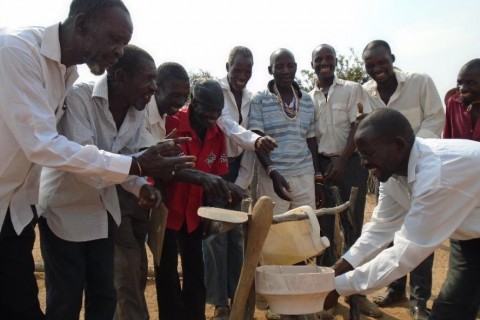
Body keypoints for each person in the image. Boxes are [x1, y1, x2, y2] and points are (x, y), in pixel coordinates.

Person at [0, 1, 193, 318]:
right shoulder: (17, 50)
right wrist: (137, 165)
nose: (119, 50)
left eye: (124, 44)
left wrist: (140, 180)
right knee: (63, 299)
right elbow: (43, 145)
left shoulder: (67, 71)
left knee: (91, 298)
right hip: (51, 210)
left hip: (18, 209)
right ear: (82, 25)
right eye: (114, 39)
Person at [37, 44, 163, 320]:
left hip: (103, 211)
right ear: (120, 78)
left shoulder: (137, 109)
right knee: (66, 298)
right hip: (64, 209)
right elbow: (87, 165)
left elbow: (126, 160)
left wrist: (142, 187)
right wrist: (139, 167)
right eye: (148, 78)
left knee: (104, 296)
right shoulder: (80, 98)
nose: (154, 87)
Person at [324, 108, 480, 320]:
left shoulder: (435, 177)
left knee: (450, 310)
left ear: (398, 145)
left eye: (368, 154)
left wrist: (337, 287)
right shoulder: (392, 173)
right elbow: (380, 228)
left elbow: (404, 255)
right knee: (454, 307)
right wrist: (339, 268)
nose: (364, 163)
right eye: (360, 156)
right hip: (470, 236)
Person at [362, 40, 445, 319]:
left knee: (420, 232)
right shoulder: (366, 92)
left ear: (392, 59)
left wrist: (411, 153)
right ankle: (396, 288)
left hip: (423, 171)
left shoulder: (419, 82)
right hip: (390, 175)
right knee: (390, 232)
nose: (377, 69)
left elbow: (436, 118)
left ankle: (420, 299)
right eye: (370, 65)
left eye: (381, 62)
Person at [155, 79, 245, 320]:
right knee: (167, 275)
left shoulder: (217, 134)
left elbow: (218, 175)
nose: (213, 115)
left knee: (196, 271)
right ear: (194, 103)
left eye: (218, 109)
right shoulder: (172, 123)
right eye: (208, 108)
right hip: (166, 212)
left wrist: (213, 207)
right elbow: (159, 168)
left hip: (195, 215)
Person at [203, 46, 277, 320]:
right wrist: (256, 141)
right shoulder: (215, 92)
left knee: (235, 238)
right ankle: (219, 303)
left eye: (248, 70)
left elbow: (247, 146)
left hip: (238, 171)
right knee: (214, 238)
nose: (242, 75)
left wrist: (242, 182)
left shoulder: (251, 98)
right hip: (212, 168)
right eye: (238, 69)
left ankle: (239, 298)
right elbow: (230, 130)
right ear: (227, 67)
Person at [113, 61, 192, 320]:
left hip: (141, 196)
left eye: (184, 96)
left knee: (136, 268)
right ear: (158, 89)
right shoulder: (141, 111)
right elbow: (136, 158)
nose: (180, 101)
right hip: (119, 195)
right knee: (127, 271)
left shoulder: (167, 118)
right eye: (175, 94)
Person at [309, 43, 381, 319]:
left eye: (329, 58)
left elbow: (357, 126)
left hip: (350, 163)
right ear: (312, 63)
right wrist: (319, 171)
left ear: (336, 62)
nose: (325, 63)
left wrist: (341, 162)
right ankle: (328, 293)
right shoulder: (308, 97)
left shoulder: (352, 89)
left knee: (354, 227)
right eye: (319, 59)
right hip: (324, 166)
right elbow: (311, 137)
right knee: (324, 228)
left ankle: (358, 295)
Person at [249, 48, 320, 320]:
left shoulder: (308, 102)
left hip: (303, 174)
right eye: (279, 66)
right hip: (273, 177)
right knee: (275, 240)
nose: (285, 70)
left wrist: (317, 178)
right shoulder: (260, 100)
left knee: (304, 236)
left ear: (295, 68)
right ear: (270, 70)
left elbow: (310, 140)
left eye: (290, 65)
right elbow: (256, 139)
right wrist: (272, 170)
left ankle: (301, 300)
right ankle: (277, 301)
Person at [443, 59, 480, 141]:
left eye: (471, 83)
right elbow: (447, 141)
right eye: (460, 83)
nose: (462, 88)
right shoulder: (453, 102)